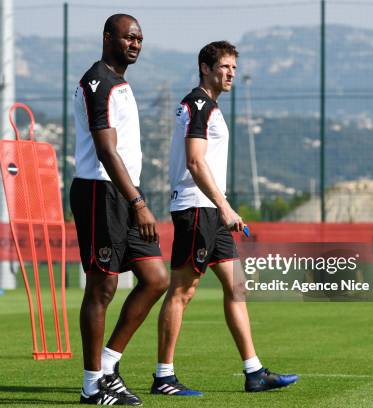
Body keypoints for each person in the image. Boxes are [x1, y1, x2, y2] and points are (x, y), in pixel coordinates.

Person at [151, 41, 299, 396]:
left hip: (212, 210)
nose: (231, 73)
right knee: (182, 292)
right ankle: (163, 377)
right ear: (205, 67)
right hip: (197, 208)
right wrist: (225, 206)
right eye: (225, 66)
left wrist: (223, 208)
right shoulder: (198, 104)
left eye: (234, 67)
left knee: (237, 286)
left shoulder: (209, 106)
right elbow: (195, 161)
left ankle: (254, 372)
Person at [71, 14, 169, 406]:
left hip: (124, 193)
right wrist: (139, 202)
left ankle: (108, 365)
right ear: (108, 37)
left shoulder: (121, 84)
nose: (135, 44)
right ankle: (91, 385)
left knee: (156, 278)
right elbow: (105, 150)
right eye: (129, 37)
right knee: (103, 285)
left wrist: (134, 198)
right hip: (101, 192)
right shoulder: (99, 81)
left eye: (140, 39)